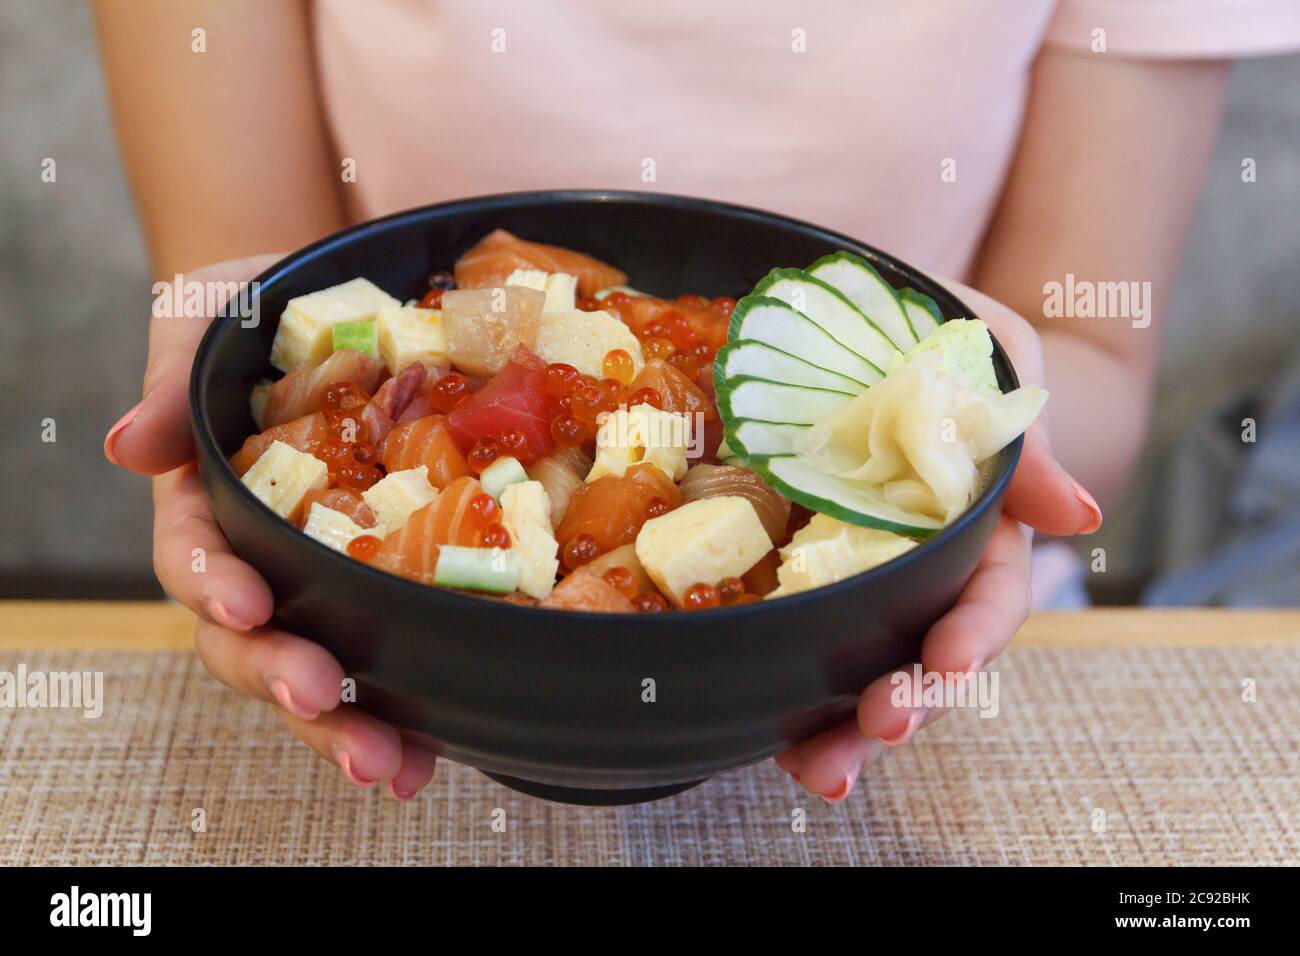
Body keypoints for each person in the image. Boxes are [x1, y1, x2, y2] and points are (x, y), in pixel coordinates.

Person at [95, 1, 1300, 802]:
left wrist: (966, 413)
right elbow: (255, 307)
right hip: (380, 663)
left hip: (923, 664)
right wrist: (219, 358)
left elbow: (1087, 363)